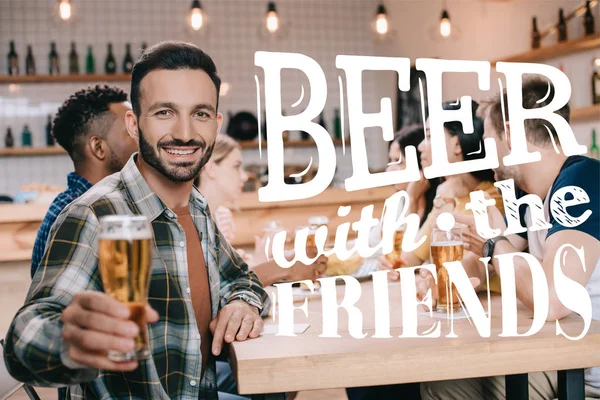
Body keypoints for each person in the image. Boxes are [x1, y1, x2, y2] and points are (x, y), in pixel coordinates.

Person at [4, 41, 270, 400]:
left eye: (201, 114)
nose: (185, 132)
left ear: (217, 123)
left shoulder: (197, 207)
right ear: (133, 123)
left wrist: (242, 303)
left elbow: (242, 277)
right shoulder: (96, 214)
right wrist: (68, 339)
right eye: (164, 112)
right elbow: (25, 338)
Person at [420, 79, 600, 399]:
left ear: (512, 133)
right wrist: (445, 281)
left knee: (447, 386)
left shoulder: (581, 183)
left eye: (489, 141)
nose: (486, 157)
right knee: (438, 380)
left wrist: (492, 243)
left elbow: (556, 300)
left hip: (588, 368)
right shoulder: (525, 194)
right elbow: (486, 262)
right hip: (561, 353)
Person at [383, 101, 504, 293]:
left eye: (429, 136)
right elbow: (409, 259)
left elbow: (471, 270)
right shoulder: (444, 194)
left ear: (457, 144)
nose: (421, 146)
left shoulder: (491, 199)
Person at [30, 85, 138, 278]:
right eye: (130, 131)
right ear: (98, 147)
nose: (142, 138)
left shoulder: (112, 203)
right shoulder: (74, 215)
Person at [196, 134, 327, 286]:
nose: (245, 176)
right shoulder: (191, 222)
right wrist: (279, 265)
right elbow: (216, 289)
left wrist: (270, 260)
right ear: (211, 168)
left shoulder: (221, 217)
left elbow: (228, 275)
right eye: (236, 166)